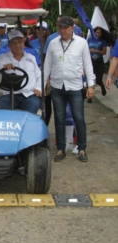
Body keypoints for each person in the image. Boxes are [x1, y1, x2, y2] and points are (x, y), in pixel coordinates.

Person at [44, 16, 95, 162]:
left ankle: (82, 148)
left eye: (65, 27)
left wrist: (90, 85)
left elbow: (88, 64)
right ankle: (61, 149)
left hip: (75, 87)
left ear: (72, 28)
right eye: (60, 27)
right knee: (59, 118)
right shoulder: (53, 43)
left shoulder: (82, 43)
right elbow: (47, 65)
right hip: (57, 87)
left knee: (79, 118)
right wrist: (41, 86)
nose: (62, 30)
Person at [0, 29, 42, 113]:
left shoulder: (31, 58)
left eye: (20, 42)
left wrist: (38, 88)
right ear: (9, 45)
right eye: (14, 43)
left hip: (29, 94)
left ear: (24, 43)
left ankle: (27, 126)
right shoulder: (4, 58)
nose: (18, 45)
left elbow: (39, 76)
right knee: (3, 103)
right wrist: (4, 67)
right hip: (10, 95)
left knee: (33, 104)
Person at [87, 26, 108, 103]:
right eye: (96, 32)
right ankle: (89, 97)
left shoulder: (103, 41)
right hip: (91, 61)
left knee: (98, 79)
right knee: (90, 79)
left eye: (99, 33)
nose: (98, 34)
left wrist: (95, 50)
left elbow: (104, 52)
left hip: (99, 61)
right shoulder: (89, 40)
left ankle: (102, 86)